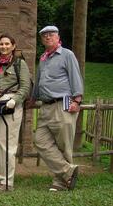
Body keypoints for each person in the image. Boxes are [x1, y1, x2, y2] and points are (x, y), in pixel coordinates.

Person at [32, 25, 84, 191]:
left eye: (51, 35)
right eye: (44, 35)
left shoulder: (67, 54)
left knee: (64, 145)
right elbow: (39, 79)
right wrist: (33, 98)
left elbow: (75, 76)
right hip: (45, 106)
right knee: (40, 140)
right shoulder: (43, 58)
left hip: (63, 104)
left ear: (57, 37)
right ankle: (68, 171)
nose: (47, 37)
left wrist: (77, 100)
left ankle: (61, 182)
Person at [0, 34, 31, 191]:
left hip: (10, 108)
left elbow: (25, 87)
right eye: (1, 44)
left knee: (7, 145)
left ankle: (7, 183)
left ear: (13, 46)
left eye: (7, 44)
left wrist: (14, 101)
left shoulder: (20, 64)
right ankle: (1, 178)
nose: (4, 46)